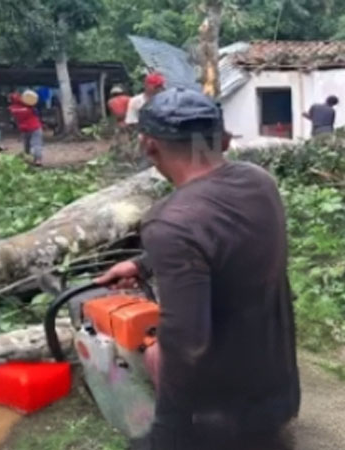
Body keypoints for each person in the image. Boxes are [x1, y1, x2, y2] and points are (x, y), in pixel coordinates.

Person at [95, 88, 300, 450]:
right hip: (279, 395)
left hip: (222, 426)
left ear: (149, 146)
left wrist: (168, 433)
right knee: (161, 352)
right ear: (222, 139)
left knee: (159, 352)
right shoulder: (259, 181)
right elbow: (225, 241)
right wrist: (144, 263)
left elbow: (185, 344)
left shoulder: (170, 222)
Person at [8, 91, 44, 166]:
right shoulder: (30, 107)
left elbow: (14, 118)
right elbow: (36, 113)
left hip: (24, 129)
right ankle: (38, 160)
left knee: (26, 145)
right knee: (37, 144)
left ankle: (28, 160)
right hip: (35, 127)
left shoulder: (12, 109)